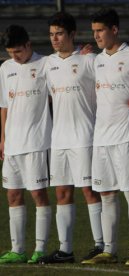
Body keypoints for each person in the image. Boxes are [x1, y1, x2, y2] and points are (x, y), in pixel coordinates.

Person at [37, 11, 104, 264]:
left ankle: (101, 245)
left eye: (60, 34)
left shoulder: (89, 60)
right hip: (59, 140)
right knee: (62, 192)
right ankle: (66, 249)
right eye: (52, 34)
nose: (55, 39)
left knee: (89, 190)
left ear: (72, 35)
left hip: (84, 136)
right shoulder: (46, 64)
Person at [81, 8, 129, 265]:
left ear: (114, 30)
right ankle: (109, 249)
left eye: (100, 31)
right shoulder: (96, 60)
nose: (96, 36)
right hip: (102, 136)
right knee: (106, 194)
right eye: (94, 31)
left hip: (127, 134)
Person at [0, 25, 52, 264]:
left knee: (38, 194)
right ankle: (17, 249)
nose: (15, 56)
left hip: (36, 142)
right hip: (12, 144)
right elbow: (4, 106)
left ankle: (40, 248)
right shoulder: (5, 68)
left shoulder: (45, 64)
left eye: (18, 51)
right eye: (11, 52)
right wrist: (2, 138)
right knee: (12, 196)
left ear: (29, 45)